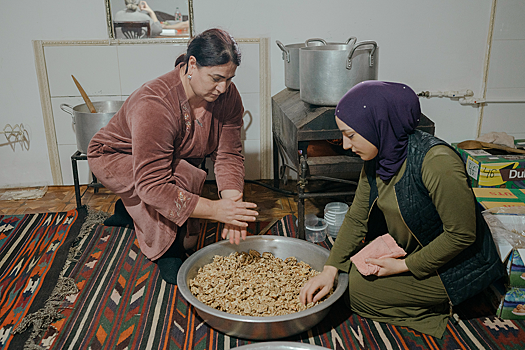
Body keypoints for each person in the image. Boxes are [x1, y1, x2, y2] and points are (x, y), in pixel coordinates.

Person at [299, 81, 506, 338]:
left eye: (350, 135)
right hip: (416, 246)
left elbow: (462, 235)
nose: (345, 145)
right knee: (344, 273)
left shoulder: (438, 163)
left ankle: (443, 306)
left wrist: (405, 266)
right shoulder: (378, 155)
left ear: (378, 124)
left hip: (457, 265)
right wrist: (330, 269)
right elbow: (356, 217)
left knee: (353, 291)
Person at [87, 28, 258, 285]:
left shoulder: (227, 97)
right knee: (180, 177)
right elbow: (152, 184)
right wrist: (214, 210)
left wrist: (232, 208)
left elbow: (229, 154)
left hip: (161, 159)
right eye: (216, 78)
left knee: (182, 176)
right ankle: (168, 249)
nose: (223, 88)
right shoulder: (155, 103)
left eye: (229, 79)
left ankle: (128, 209)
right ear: (192, 64)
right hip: (115, 156)